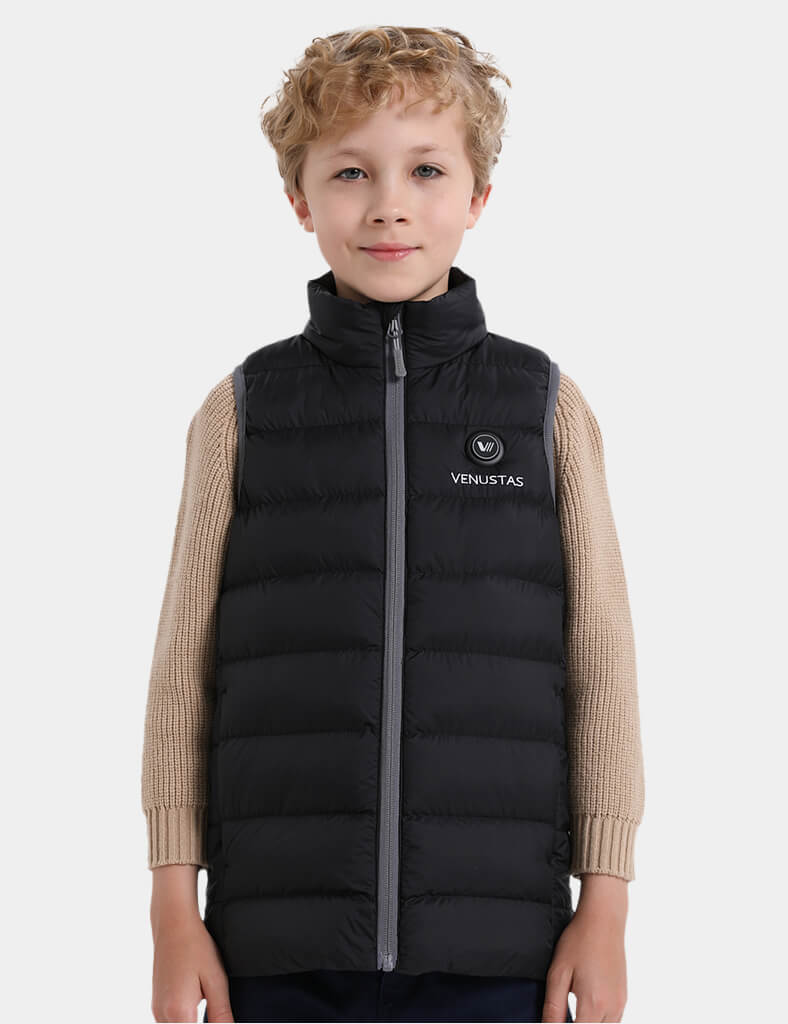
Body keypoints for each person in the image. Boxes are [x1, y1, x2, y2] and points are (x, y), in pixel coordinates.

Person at [141, 25, 645, 1024]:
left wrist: (606, 908)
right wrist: (171, 911)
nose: (388, 205)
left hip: (498, 951)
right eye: (348, 173)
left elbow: (600, 668)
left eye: (425, 169)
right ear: (299, 199)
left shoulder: (541, 405)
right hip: (275, 949)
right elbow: (182, 675)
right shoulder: (242, 410)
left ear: (477, 195)